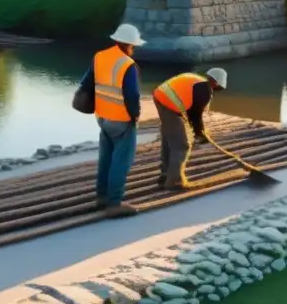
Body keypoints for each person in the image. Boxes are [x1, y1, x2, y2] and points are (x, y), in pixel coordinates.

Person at [77, 23, 145, 217]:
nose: (134, 49)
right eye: (133, 46)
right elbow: (132, 95)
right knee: (121, 161)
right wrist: (135, 116)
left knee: (106, 158)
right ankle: (114, 203)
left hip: (103, 118)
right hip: (122, 120)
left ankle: (101, 197)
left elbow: (86, 84)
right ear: (127, 44)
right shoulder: (127, 65)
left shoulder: (99, 57)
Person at [152, 68, 228, 191]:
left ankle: (165, 175)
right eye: (217, 86)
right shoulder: (205, 89)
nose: (215, 89)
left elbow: (189, 110)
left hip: (160, 97)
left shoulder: (196, 80)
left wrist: (199, 132)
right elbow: (195, 116)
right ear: (216, 82)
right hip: (169, 104)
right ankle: (174, 182)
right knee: (182, 145)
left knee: (169, 140)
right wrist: (201, 134)